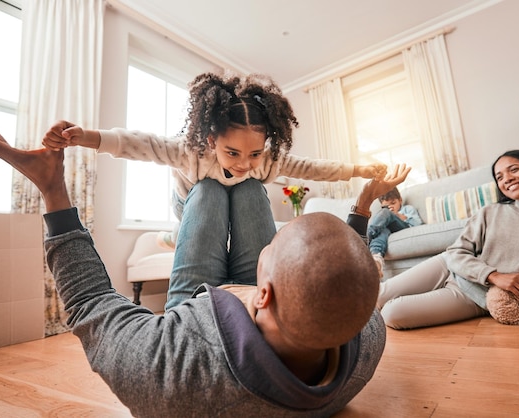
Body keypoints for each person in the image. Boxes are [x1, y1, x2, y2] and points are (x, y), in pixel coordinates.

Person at [0, 129, 397, 417]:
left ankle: (185, 213)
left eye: (271, 248)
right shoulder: (366, 334)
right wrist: (362, 205)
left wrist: (51, 188)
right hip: (260, 310)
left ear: (264, 293)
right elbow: (349, 278)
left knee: (206, 190)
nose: (267, 245)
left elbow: (89, 302)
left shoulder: (169, 371)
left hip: (197, 308)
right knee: (249, 188)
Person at [42, 72, 386, 309]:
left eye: (254, 153)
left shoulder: (264, 163)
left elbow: (310, 167)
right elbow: (139, 144)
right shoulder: (190, 151)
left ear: (265, 146)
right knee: (210, 189)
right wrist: (82, 136)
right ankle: (181, 251)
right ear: (211, 141)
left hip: (239, 208)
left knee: (250, 188)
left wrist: (357, 169)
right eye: (232, 153)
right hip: (192, 204)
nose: (243, 162)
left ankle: (250, 294)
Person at [376, 150, 519, 330]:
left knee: (393, 313)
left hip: (476, 295)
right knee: (378, 294)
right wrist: (493, 275)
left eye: (514, 170)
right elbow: (456, 252)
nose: (507, 179)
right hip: (449, 266)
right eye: (500, 177)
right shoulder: (490, 212)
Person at [368, 186, 423, 277]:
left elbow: (418, 224)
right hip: (388, 230)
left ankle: (366, 236)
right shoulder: (383, 217)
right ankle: (376, 259)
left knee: (385, 213)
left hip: (402, 227)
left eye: (393, 203)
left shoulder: (407, 209)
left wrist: (400, 216)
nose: (391, 207)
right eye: (386, 205)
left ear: (400, 200)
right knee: (383, 231)